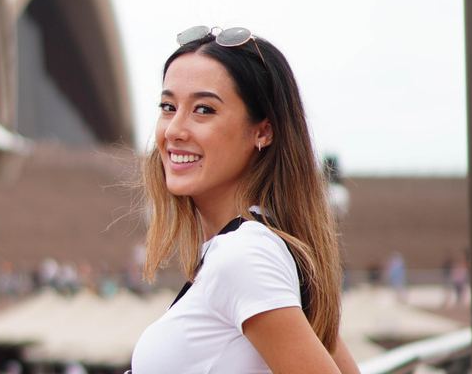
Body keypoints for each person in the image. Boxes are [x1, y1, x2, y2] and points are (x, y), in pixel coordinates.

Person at [130, 26, 359, 373]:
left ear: (263, 131)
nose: (174, 129)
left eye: (203, 109)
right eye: (168, 106)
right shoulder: (252, 248)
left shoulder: (244, 257)